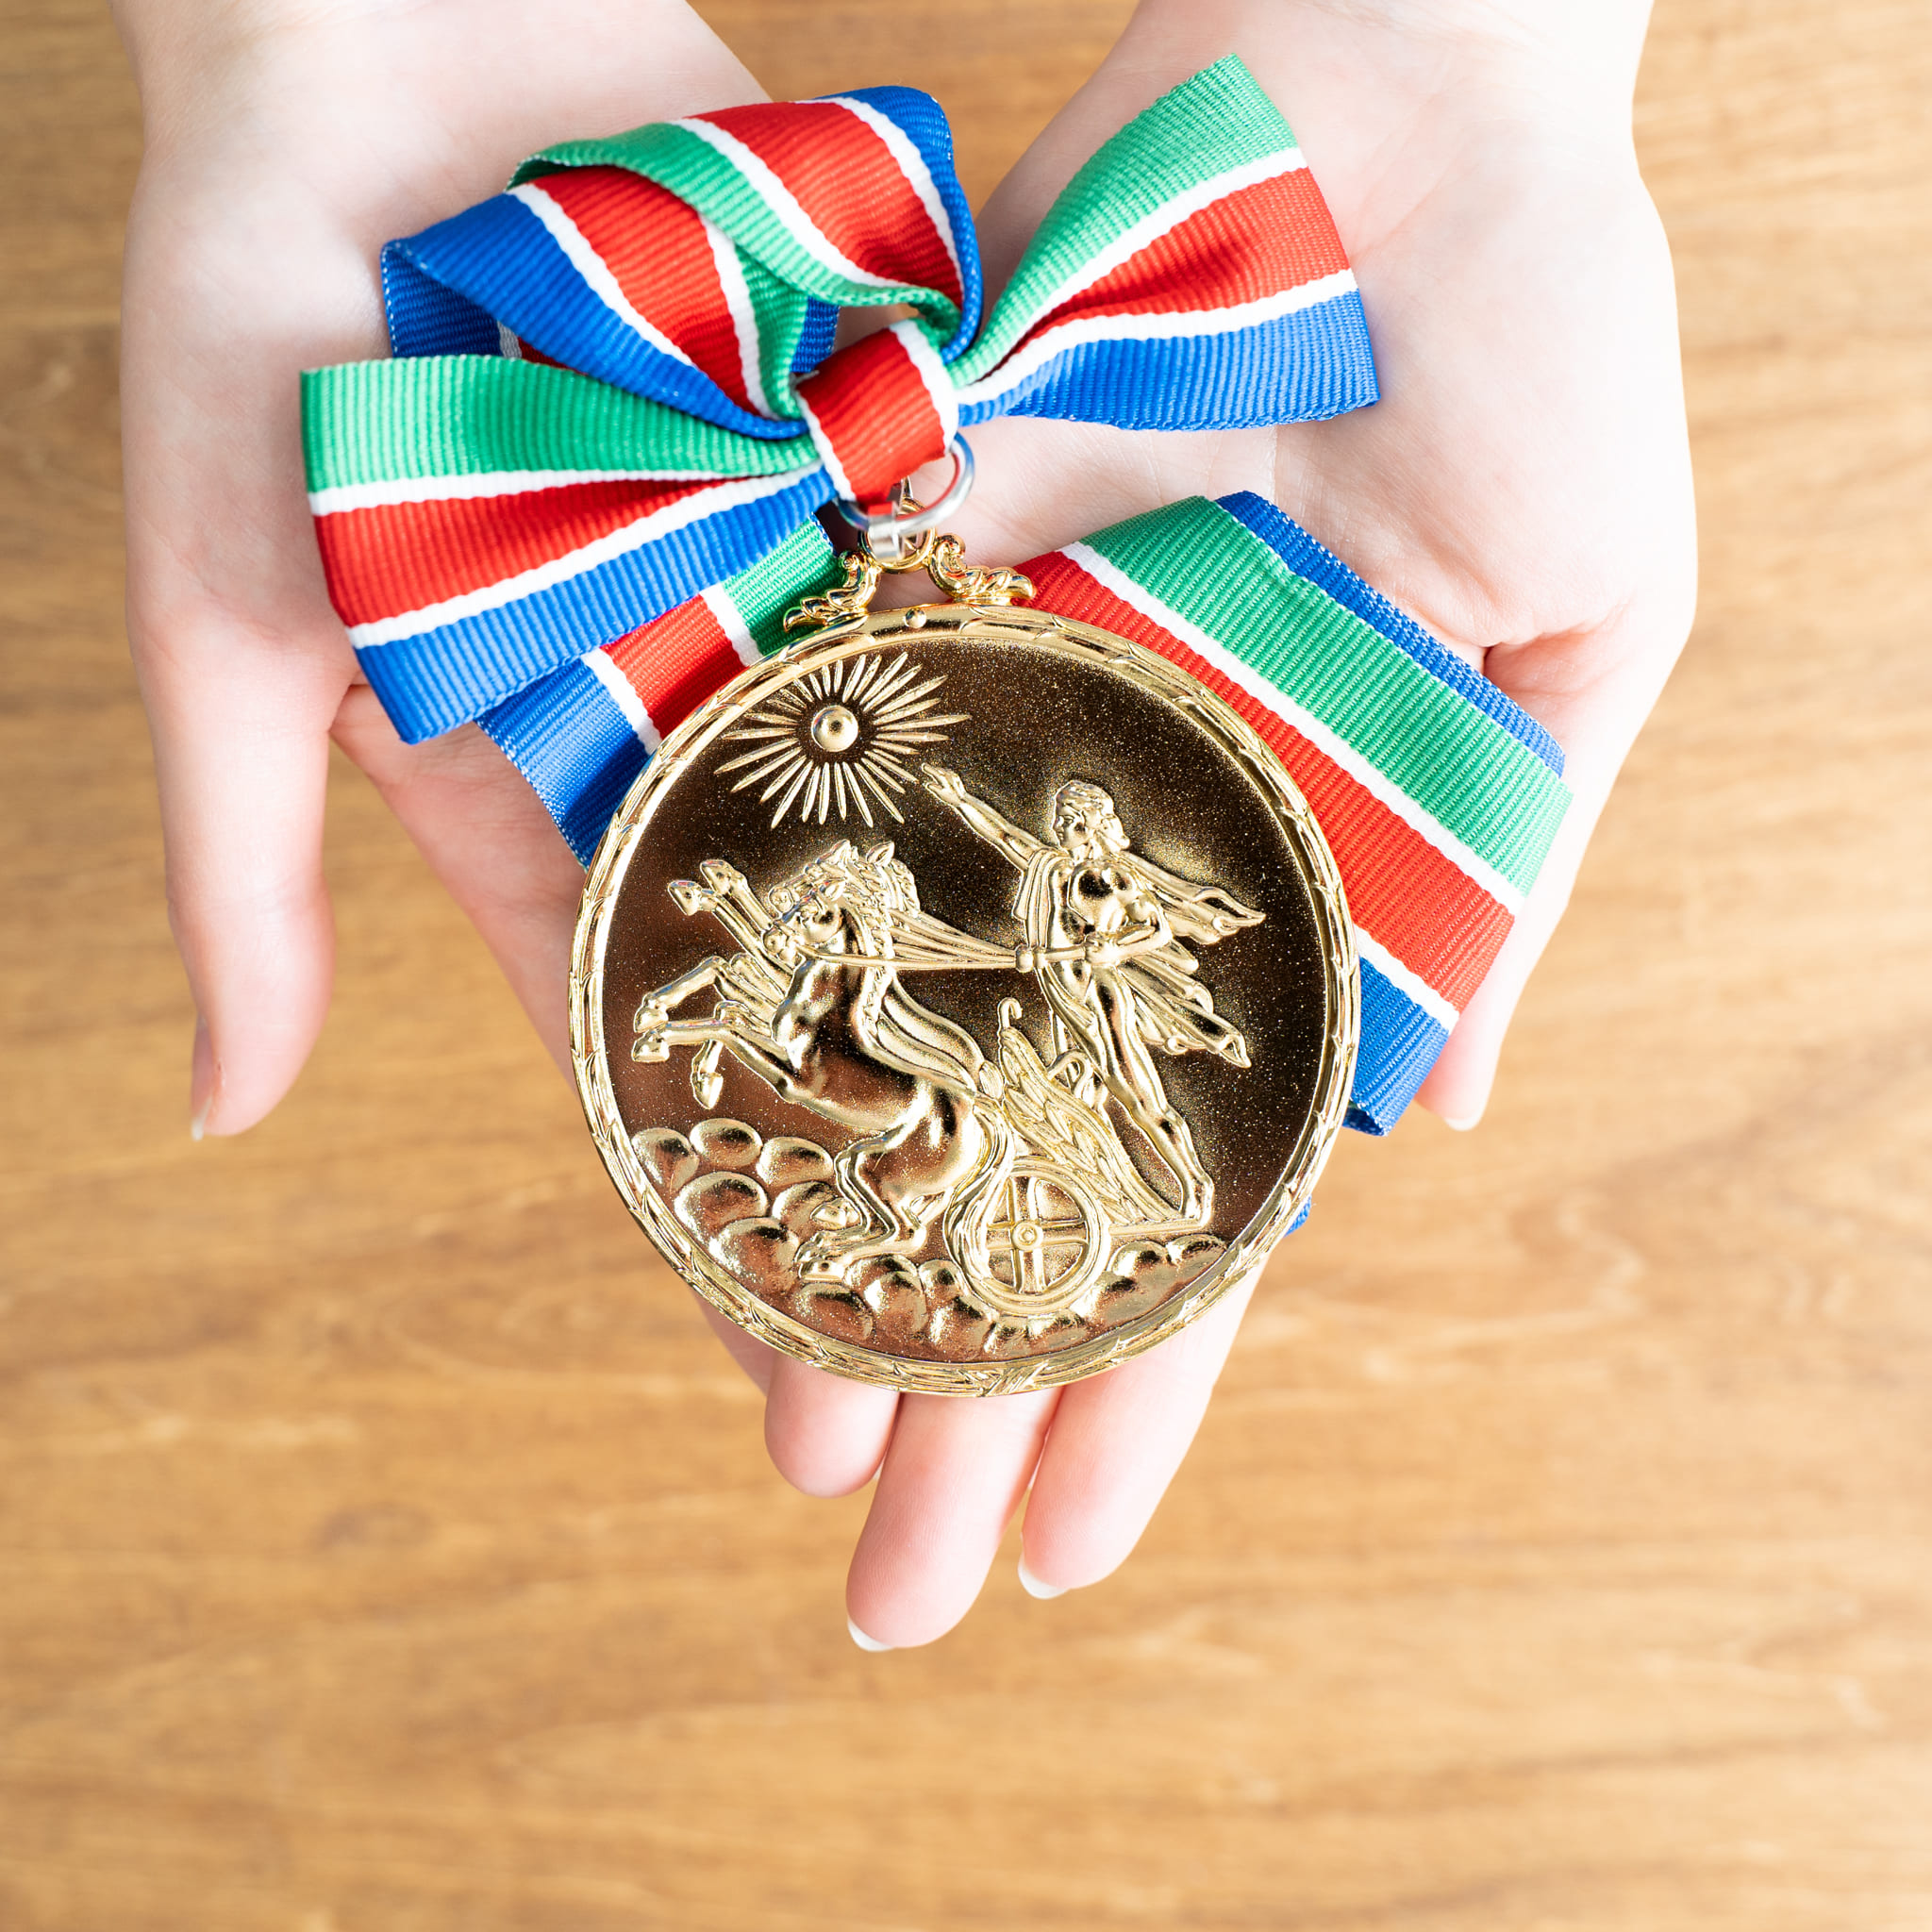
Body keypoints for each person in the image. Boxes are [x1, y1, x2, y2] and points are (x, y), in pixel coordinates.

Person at [108, 0, 1698, 1649]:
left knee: (1048, 1061)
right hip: (973, 923)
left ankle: (1060, 1169)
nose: (1077, 837)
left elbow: (1056, 913)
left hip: (1067, 999)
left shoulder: (1104, 904)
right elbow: (972, 862)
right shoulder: (1035, 876)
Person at [922, 766, 1261, 1224]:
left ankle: (1195, 1184)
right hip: (1063, 997)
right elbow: (1005, 835)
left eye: (1066, 819)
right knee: (1084, 1097)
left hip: (1099, 997)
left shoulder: (1113, 877)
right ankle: (1105, 1199)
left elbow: (1156, 929)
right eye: (1059, 818)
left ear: (1090, 823)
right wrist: (960, 799)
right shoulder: (1052, 868)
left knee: (1139, 1098)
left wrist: (1116, 946)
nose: (1057, 826)